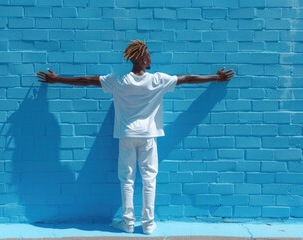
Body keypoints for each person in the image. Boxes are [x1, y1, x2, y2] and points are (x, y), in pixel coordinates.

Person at [36, 40, 235, 235]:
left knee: (127, 179)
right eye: (148, 54)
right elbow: (187, 79)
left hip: (126, 136)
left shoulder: (118, 80)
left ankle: (128, 222)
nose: (150, 58)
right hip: (148, 137)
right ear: (140, 58)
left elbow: (85, 81)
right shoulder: (157, 80)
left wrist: (57, 79)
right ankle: (148, 225)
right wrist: (215, 78)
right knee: (149, 179)